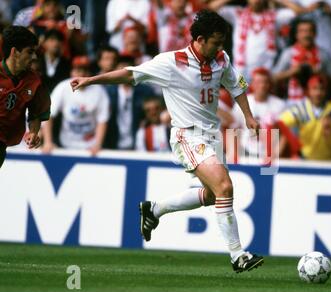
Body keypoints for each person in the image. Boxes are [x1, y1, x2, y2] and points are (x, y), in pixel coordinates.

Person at [70, 10, 264, 273]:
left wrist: (249, 117)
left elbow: (236, 85)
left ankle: (154, 210)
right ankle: (238, 255)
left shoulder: (221, 58)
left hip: (212, 136)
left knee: (211, 195)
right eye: (216, 42)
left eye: (222, 42)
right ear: (199, 39)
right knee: (225, 187)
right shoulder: (171, 63)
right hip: (187, 135)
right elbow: (130, 74)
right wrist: (92, 80)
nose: (221, 47)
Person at [0, 26, 51, 168]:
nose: (34, 57)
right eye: (30, 52)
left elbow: (36, 113)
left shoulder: (35, 81)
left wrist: (33, 132)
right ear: (14, 52)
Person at [42, 56, 110, 155]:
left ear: (89, 73)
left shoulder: (99, 91)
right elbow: (48, 114)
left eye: (85, 71)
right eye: (78, 70)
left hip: (89, 146)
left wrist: (98, 144)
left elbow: (102, 119)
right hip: (65, 144)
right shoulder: (63, 87)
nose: (81, 74)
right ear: (72, 72)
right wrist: (48, 142)